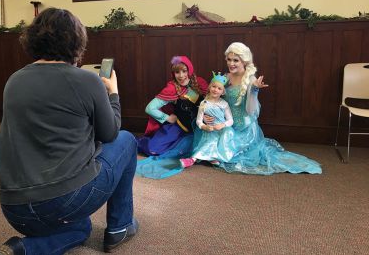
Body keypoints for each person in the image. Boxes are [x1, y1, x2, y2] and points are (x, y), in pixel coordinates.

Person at [0, 8, 138, 255]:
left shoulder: (14, 80)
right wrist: (113, 93)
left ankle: (24, 249)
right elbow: (110, 133)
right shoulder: (87, 80)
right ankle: (120, 226)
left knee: (81, 228)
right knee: (127, 140)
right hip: (62, 202)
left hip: (15, 210)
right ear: (77, 41)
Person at [205, 42, 322, 175]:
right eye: (229, 59)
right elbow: (215, 99)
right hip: (227, 123)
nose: (231, 63)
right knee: (209, 135)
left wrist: (254, 90)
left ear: (244, 61)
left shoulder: (250, 79)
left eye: (236, 60)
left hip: (244, 128)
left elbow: (251, 111)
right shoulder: (225, 77)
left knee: (228, 151)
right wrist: (209, 114)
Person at [137, 55, 208, 157]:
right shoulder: (171, 89)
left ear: (190, 70)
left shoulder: (199, 83)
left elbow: (211, 101)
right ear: (173, 73)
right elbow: (149, 108)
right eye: (177, 72)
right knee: (152, 149)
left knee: (202, 151)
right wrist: (167, 118)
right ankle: (135, 142)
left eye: (184, 71)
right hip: (180, 127)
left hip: (199, 128)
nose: (181, 75)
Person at [180, 72, 236, 168]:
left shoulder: (224, 104)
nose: (215, 90)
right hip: (209, 130)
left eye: (219, 88)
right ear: (209, 87)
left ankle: (207, 158)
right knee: (209, 139)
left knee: (220, 138)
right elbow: (198, 121)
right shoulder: (204, 103)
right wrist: (204, 126)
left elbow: (231, 120)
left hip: (221, 130)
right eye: (214, 87)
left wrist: (223, 125)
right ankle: (194, 159)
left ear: (223, 92)